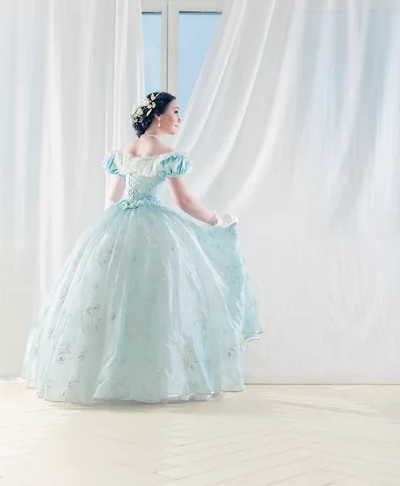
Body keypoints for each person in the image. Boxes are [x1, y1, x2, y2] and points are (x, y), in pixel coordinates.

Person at [22, 92, 262, 404]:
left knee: (115, 299)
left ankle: (107, 376)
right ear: (158, 115)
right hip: (154, 230)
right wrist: (216, 220)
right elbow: (184, 202)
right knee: (159, 300)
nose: (179, 119)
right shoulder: (166, 154)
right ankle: (154, 378)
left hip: (118, 225)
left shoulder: (127, 151)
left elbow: (113, 197)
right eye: (175, 111)